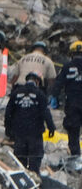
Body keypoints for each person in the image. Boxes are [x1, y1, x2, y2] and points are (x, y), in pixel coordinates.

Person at [5, 72, 55, 173]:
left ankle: (23, 180)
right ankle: (34, 179)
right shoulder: (40, 94)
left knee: (20, 160)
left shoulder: (16, 93)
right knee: (35, 160)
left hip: (19, 131)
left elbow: (8, 112)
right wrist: (51, 127)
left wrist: (8, 129)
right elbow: (46, 112)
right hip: (35, 132)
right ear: (37, 81)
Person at [50, 40, 82, 169]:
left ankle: (75, 157)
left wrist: (54, 97)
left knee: (73, 130)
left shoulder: (68, 66)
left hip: (73, 103)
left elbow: (58, 84)